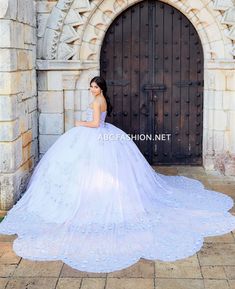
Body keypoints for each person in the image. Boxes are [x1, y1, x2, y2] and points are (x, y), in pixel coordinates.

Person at [0, 76, 235, 273]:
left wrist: (79, 122)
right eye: (90, 86)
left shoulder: (96, 102)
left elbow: (94, 124)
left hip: (94, 137)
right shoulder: (101, 100)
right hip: (104, 136)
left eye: (94, 86)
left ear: (100, 89)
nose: (91, 89)